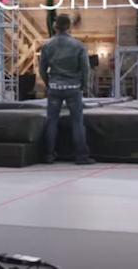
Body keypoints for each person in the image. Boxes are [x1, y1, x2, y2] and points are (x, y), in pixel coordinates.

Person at [39, 14, 95, 165]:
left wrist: (48, 83)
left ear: (55, 26)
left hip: (54, 87)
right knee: (77, 122)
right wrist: (83, 85)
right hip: (73, 87)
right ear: (69, 26)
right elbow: (85, 69)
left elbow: (42, 69)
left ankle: (49, 155)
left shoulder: (47, 45)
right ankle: (81, 156)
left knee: (52, 121)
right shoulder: (78, 45)